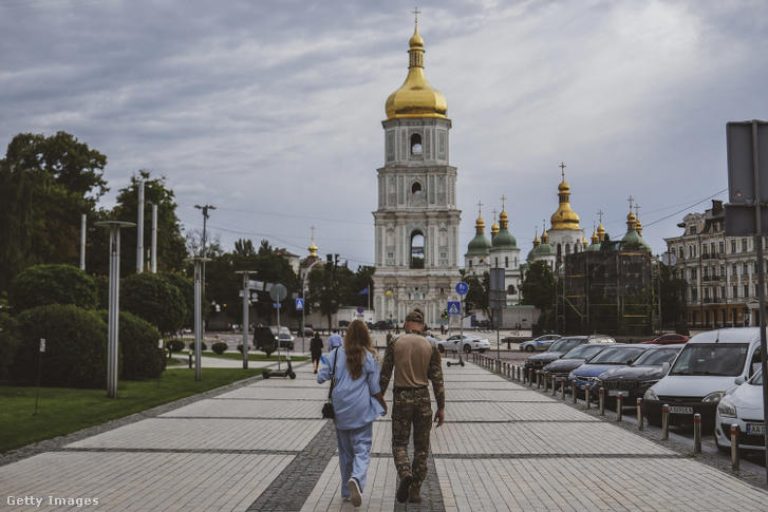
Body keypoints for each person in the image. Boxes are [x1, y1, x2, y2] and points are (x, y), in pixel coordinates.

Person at [317, 320, 387, 507]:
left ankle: (347, 491)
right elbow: (374, 388)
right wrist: (383, 403)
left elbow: (320, 376)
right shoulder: (369, 357)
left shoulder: (336, 353)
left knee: (345, 453)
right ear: (366, 336)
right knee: (362, 449)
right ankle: (356, 478)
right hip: (361, 409)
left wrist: (326, 362)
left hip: (340, 410)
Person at [379, 308, 445, 504]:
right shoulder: (431, 346)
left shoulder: (395, 342)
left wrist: (379, 397)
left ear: (406, 324)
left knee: (399, 443)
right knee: (422, 448)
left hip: (402, 398)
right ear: (423, 326)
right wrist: (441, 407)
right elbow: (438, 380)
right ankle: (415, 491)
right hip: (423, 399)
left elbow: (385, 374)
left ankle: (405, 472)